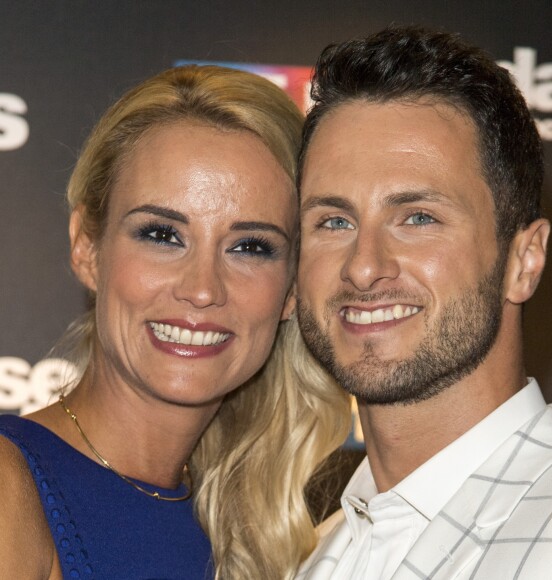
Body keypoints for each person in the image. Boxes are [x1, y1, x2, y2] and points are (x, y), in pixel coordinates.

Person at [0, 65, 350, 580]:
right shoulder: (11, 489)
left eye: (250, 247)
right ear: (87, 246)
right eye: (162, 235)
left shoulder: (251, 531)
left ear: (292, 291)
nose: (202, 288)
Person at [295, 24, 552, 579]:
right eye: (334, 221)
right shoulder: (316, 559)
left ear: (524, 260)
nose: (364, 265)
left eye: (418, 218)